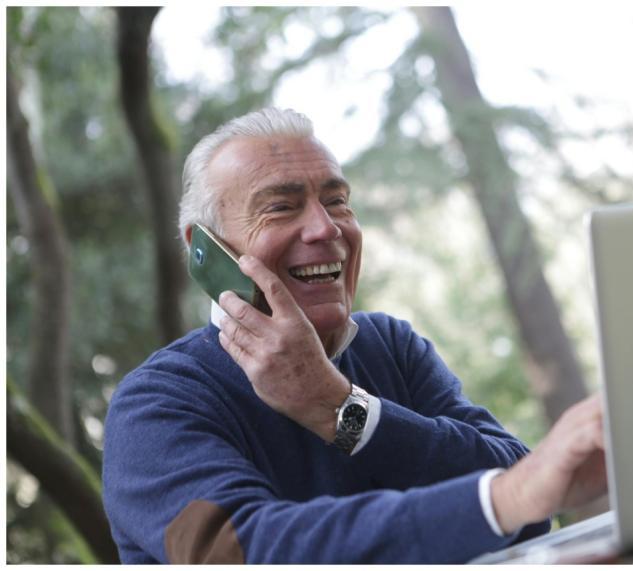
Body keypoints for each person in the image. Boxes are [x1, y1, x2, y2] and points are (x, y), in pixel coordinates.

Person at [102, 107, 607, 564]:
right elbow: (243, 552)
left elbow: (530, 504)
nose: (325, 228)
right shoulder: (155, 404)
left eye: (337, 201)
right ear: (204, 251)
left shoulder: (389, 345)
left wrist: (343, 410)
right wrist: (502, 500)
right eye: (281, 207)